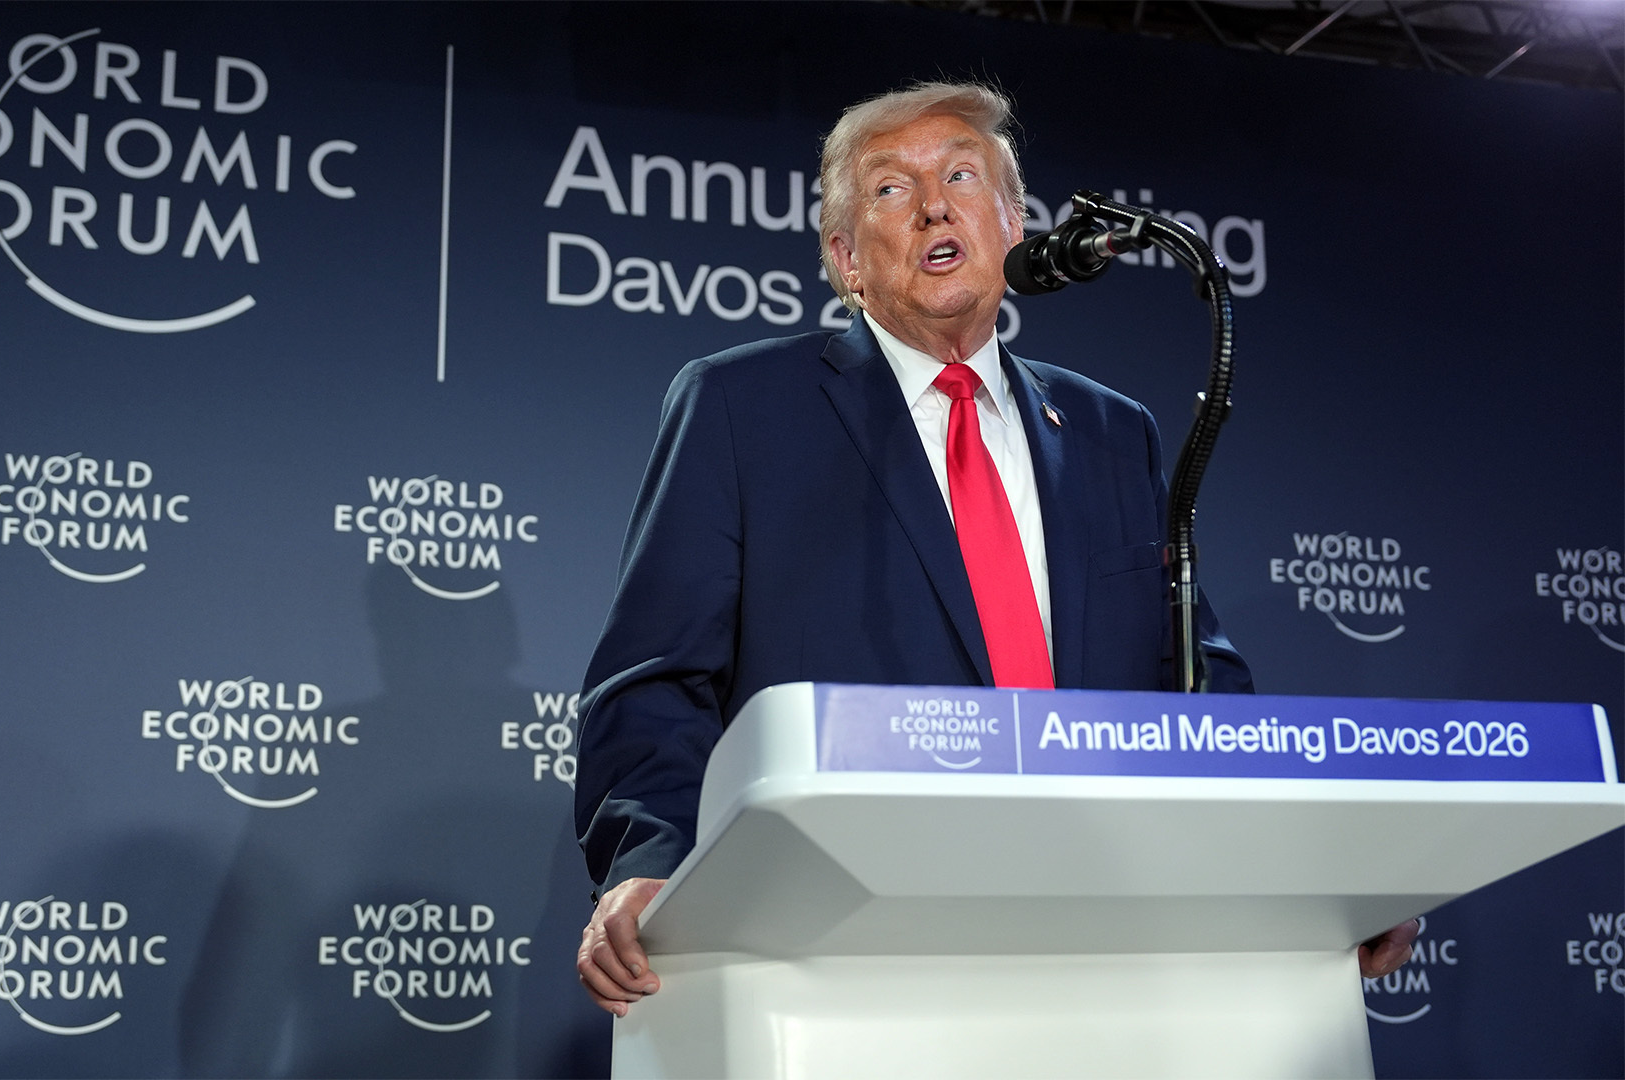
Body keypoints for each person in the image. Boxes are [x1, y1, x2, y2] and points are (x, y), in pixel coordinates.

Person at [572, 81, 1416, 1016]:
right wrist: (652, 863)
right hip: (845, 945)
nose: (934, 205)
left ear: (1013, 225)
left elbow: (1195, 686)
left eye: (962, 176)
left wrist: (1318, 875)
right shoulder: (743, 409)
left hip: (1102, 940)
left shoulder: (1110, 431)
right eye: (891, 188)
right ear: (846, 259)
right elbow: (655, 680)